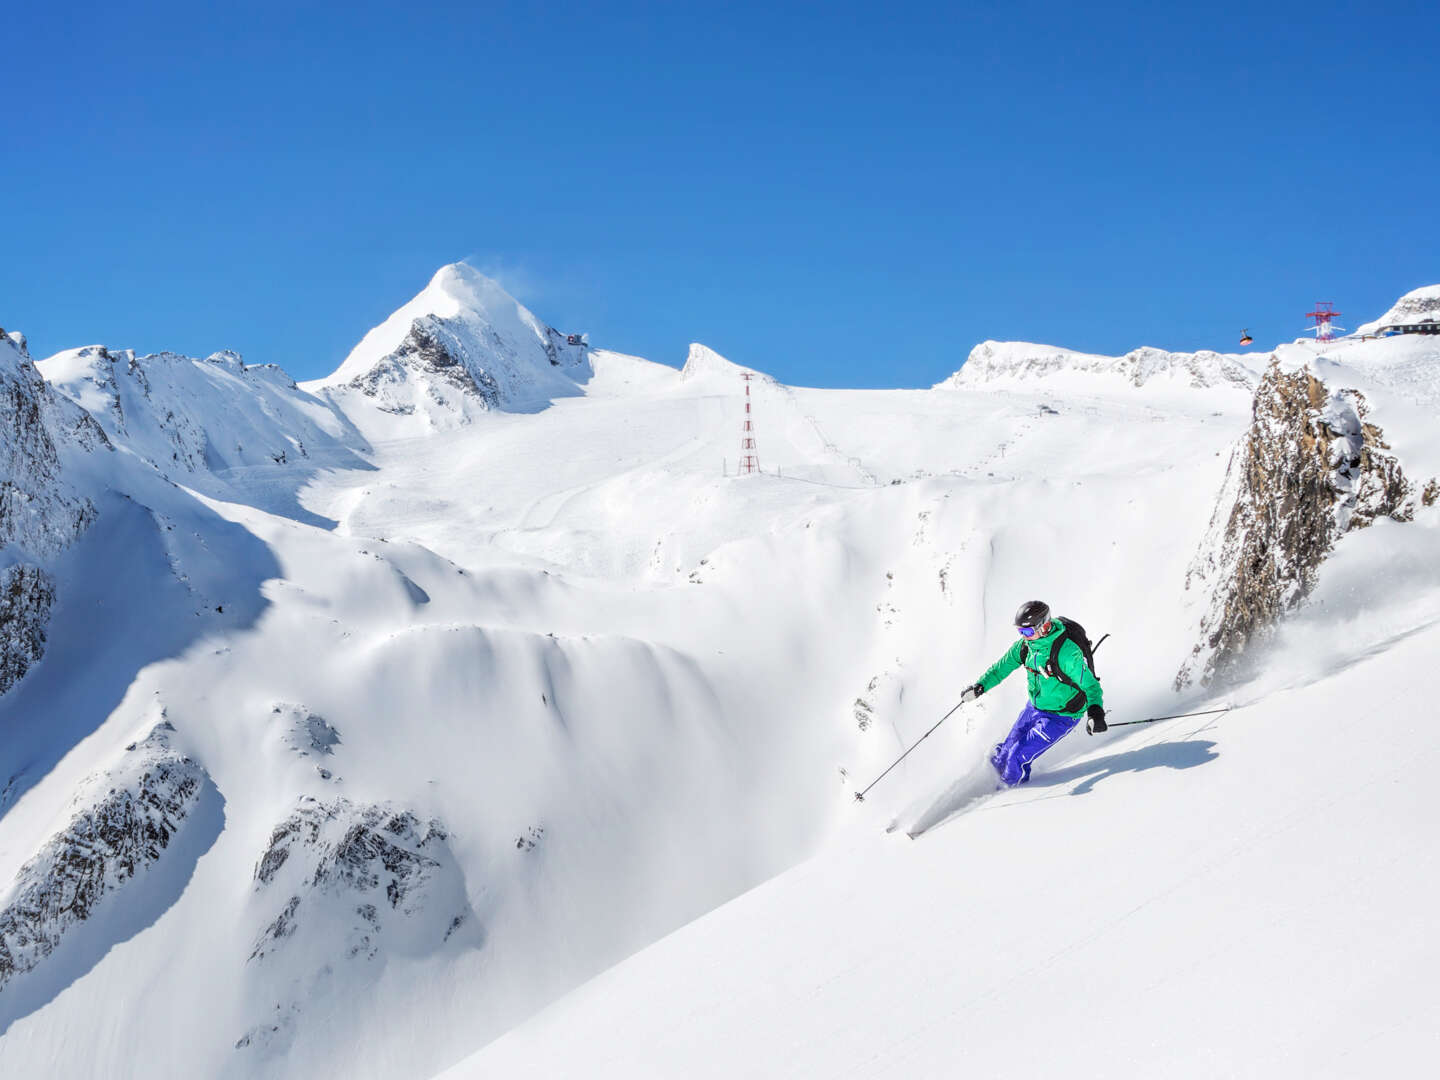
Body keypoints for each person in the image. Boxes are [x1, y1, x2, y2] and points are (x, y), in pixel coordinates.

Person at [958, 600, 1106, 787]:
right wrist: (980, 687)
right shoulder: (1025, 646)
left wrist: (1095, 713)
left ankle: (1003, 795)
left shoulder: (1066, 654)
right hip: (1035, 707)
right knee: (1003, 754)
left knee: (1015, 758)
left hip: (1062, 716)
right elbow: (1001, 668)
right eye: (1020, 631)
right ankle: (989, 785)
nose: (1024, 636)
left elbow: (1091, 685)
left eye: (1027, 631)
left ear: (1044, 626)